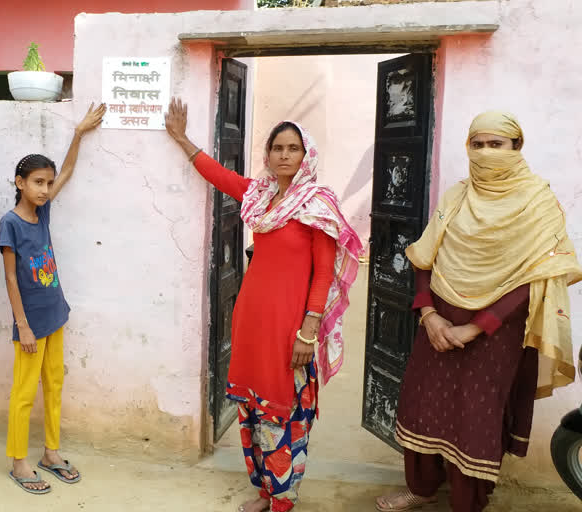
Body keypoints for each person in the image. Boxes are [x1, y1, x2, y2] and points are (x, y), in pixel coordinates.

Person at [375, 111, 582, 512]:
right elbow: (424, 257)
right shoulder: (456, 196)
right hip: (439, 316)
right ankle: (421, 487)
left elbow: (537, 277)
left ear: (516, 147)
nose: (486, 153)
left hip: (497, 330)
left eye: (496, 144)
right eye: (477, 144)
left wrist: (476, 328)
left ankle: (469, 504)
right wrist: (429, 315)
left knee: (477, 414)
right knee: (422, 401)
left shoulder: (538, 202)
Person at [164, 98, 362, 512]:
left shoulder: (317, 206)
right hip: (251, 321)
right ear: (268, 155)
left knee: (282, 410)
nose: (284, 155)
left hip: (290, 327)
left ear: (306, 154)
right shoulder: (260, 195)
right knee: (252, 408)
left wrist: (308, 331)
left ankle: (283, 500)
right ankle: (264, 491)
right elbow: (219, 176)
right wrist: (182, 139)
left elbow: (323, 275)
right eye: (277, 148)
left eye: (293, 148)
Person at [0, 103, 106, 494]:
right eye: (37, 182)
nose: (44, 189)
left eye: (47, 183)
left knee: (54, 384)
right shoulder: (10, 223)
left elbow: (70, 171)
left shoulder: (42, 214)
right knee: (24, 392)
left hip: (55, 315)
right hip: (30, 325)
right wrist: (23, 325)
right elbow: (10, 278)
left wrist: (78, 133)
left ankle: (50, 452)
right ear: (19, 182)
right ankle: (18, 460)